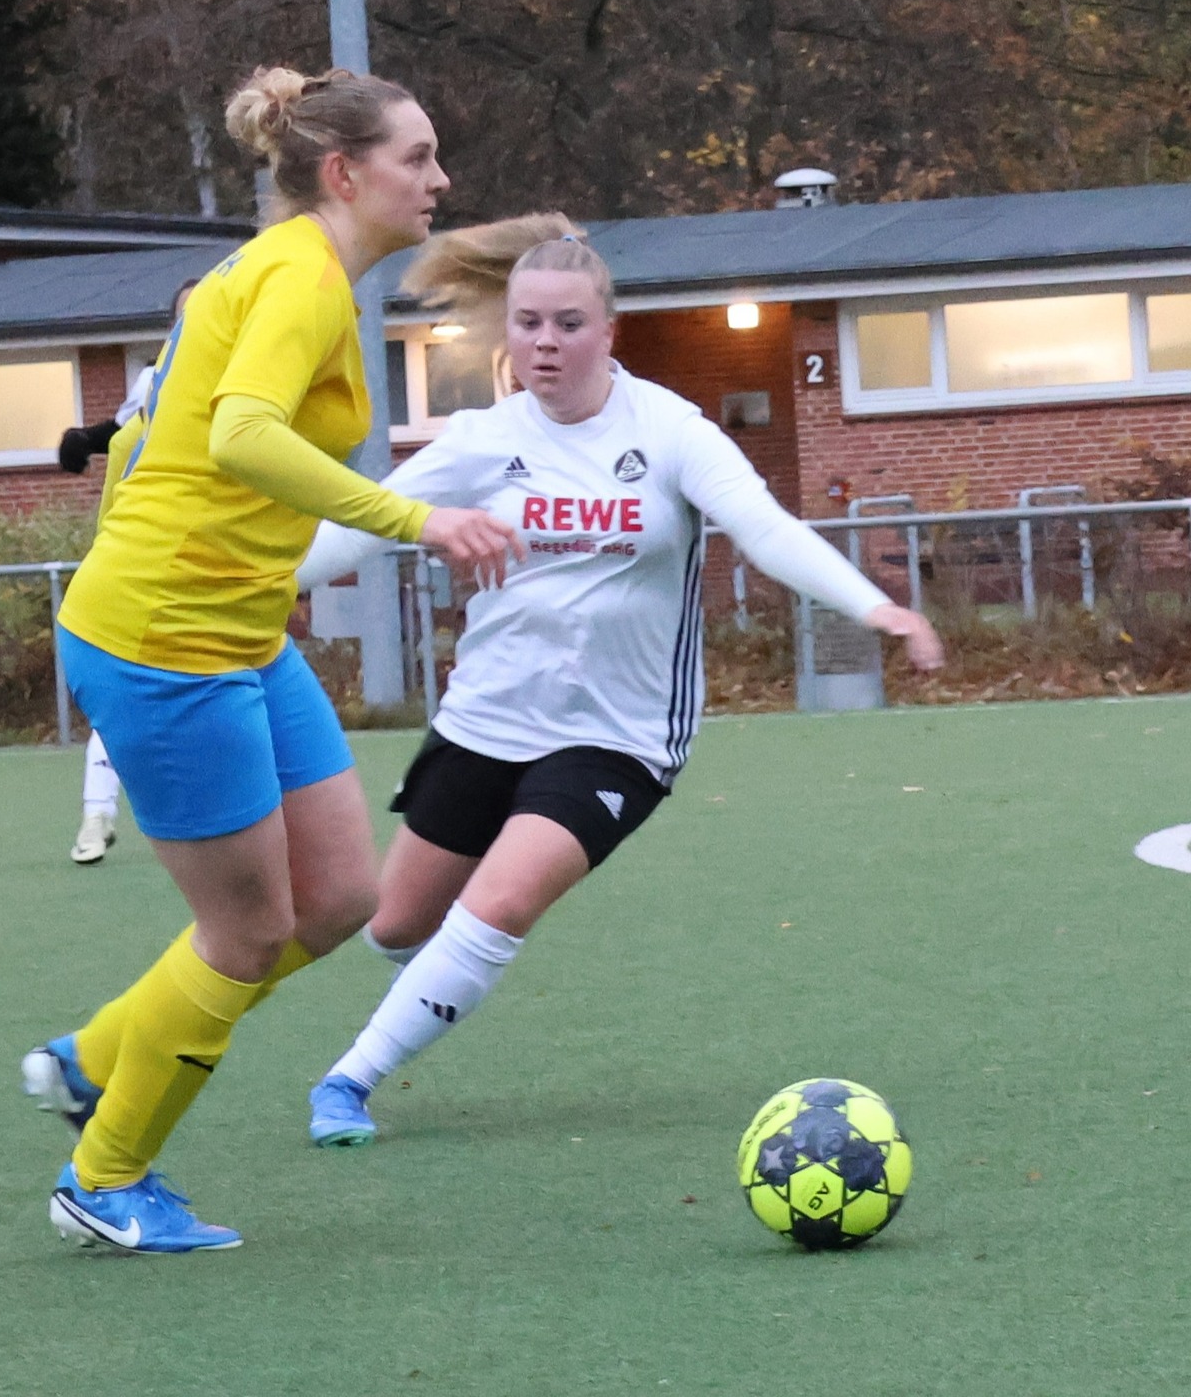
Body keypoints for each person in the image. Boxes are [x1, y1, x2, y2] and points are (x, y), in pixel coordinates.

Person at [295, 215, 944, 1148]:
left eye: (567, 324)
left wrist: (872, 605)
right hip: (486, 718)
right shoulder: (486, 439)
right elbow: (361, 527)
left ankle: (347, 1082)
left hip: (619, 734)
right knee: (394, 926)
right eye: (527, 324)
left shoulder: (670, 432)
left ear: (610, 331)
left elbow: (764, 529)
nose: (544, 344)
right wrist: (245, 592)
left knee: (503, 902)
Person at [19, 65, 522, 1254]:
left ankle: (99, 1056)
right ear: (345, 173)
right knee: (246, 936)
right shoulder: (296, 276)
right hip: (166, 644)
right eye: (418, 157)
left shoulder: (282, 271)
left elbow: (193, 425)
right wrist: (418, 518)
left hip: (238, 634)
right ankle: (105, 1177)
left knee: (344, 897)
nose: (441, 179)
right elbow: (242, 433)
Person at [65, 279, 198, 866]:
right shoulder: (155, 381)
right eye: (186, 316)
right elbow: (126, 437)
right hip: (154, 566)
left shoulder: (258, 379)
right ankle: (97, 813)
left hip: (224, 571)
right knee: (127, 693)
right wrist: (84, 441)